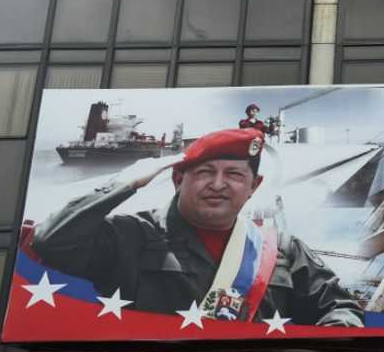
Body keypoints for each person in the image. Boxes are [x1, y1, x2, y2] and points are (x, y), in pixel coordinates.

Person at [31, 128, 362, 327]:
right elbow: (51, 241)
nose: (218, 184)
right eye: (205, 172)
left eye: (234, 175)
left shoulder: (282, 249)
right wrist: (124, 182)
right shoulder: (128, 234)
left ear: (253, 186)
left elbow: (340, 308)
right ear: (178, 179)